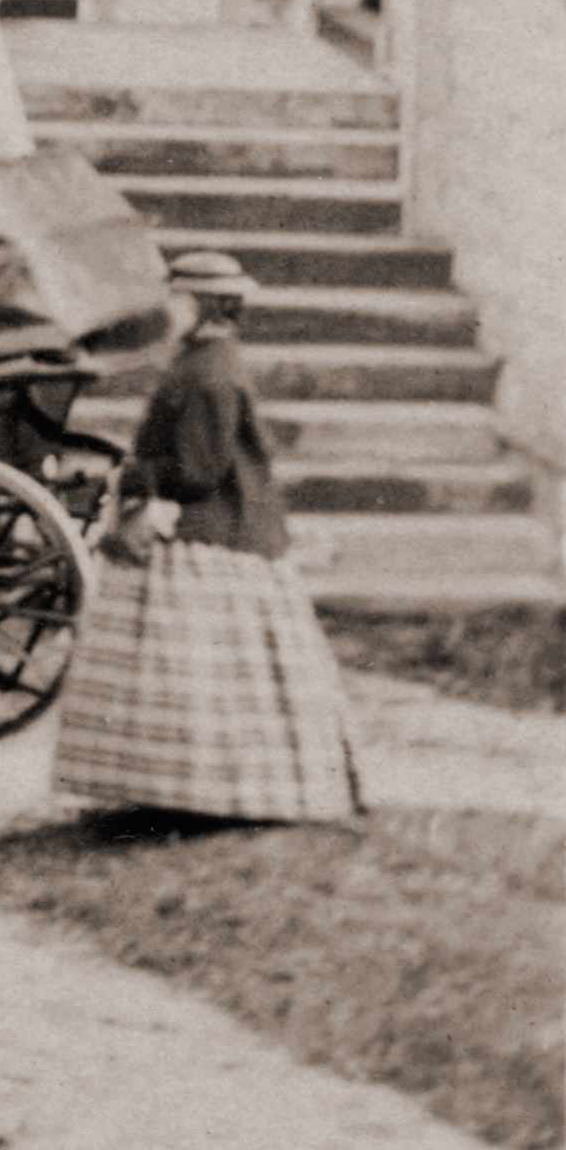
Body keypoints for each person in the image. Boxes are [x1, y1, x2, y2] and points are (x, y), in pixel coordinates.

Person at [51, 252, 360, 823]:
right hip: (218, 529)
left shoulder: (209, 374)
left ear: (207, 308)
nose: (168, 311)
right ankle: (177, 791)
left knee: (199, 666)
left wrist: (132, 475)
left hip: (215, 536)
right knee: (191, 667)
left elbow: (199, 472)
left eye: (179, 301)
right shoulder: (203, 361)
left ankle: (209, 793)